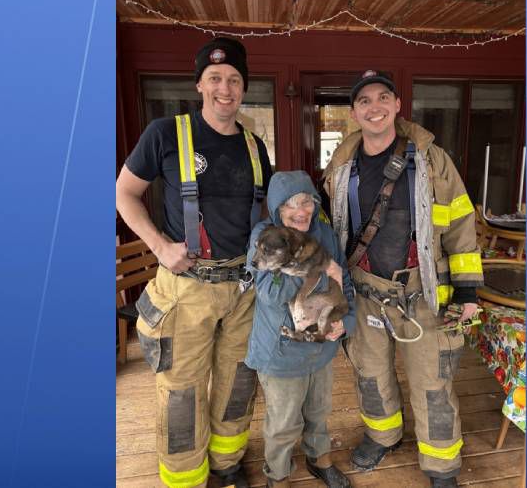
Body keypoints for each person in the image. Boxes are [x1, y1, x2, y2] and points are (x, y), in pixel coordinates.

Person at [116, 37, 272, 488]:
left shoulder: (254, 146)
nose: (226, 88)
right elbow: (123, 192)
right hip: (186, 289)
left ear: (244, 88)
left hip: (242, 289)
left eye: (235, 80)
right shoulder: (165, 133)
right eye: (216, 78)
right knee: (182, 391)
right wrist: (161, 246)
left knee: (239, 381)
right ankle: (186, 479)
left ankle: (226, 463)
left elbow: (261, 214)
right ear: (200, 84)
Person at [321, 71, 483, 487]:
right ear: (354, 112)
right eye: (364, 102)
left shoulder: (432, 159)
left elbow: (462, 223)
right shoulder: (340, 165)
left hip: (423, 293)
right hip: (364, 291)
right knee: (370, 373)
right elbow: (327, 227)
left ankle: (442, 464)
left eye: (382, 98)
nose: (374, 107)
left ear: (397, 105)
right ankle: (383, 435)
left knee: (433, 380)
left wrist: (467, 290)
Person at [244, 171, 357, 488]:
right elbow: (270, 295)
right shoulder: (265, 238)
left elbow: (343, 279)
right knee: (283, 423)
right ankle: (277, 477)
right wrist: (311, 260)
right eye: (292, 204)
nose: (301, 210)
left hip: (320, 347)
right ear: (278, 209)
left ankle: (319, 459)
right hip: (282, 353)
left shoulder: (325, 233)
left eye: (307, 201)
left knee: (319, 412)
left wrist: (344, 324)